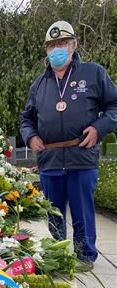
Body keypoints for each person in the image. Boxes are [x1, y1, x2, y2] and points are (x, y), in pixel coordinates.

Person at [20, 20, 117, 269]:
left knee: (83, 210)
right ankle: (56, 256)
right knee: (53, 213)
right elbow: (26, 118)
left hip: (81, 156)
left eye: (62, 43)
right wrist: (31, 136)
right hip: (50, 159)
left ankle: (85, 256)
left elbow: (113, 106)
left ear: (73, 45)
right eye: (51, 45)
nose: (57, 49)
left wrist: (99, 128)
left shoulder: (93, 73)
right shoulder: (39, 85)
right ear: (46, 50)